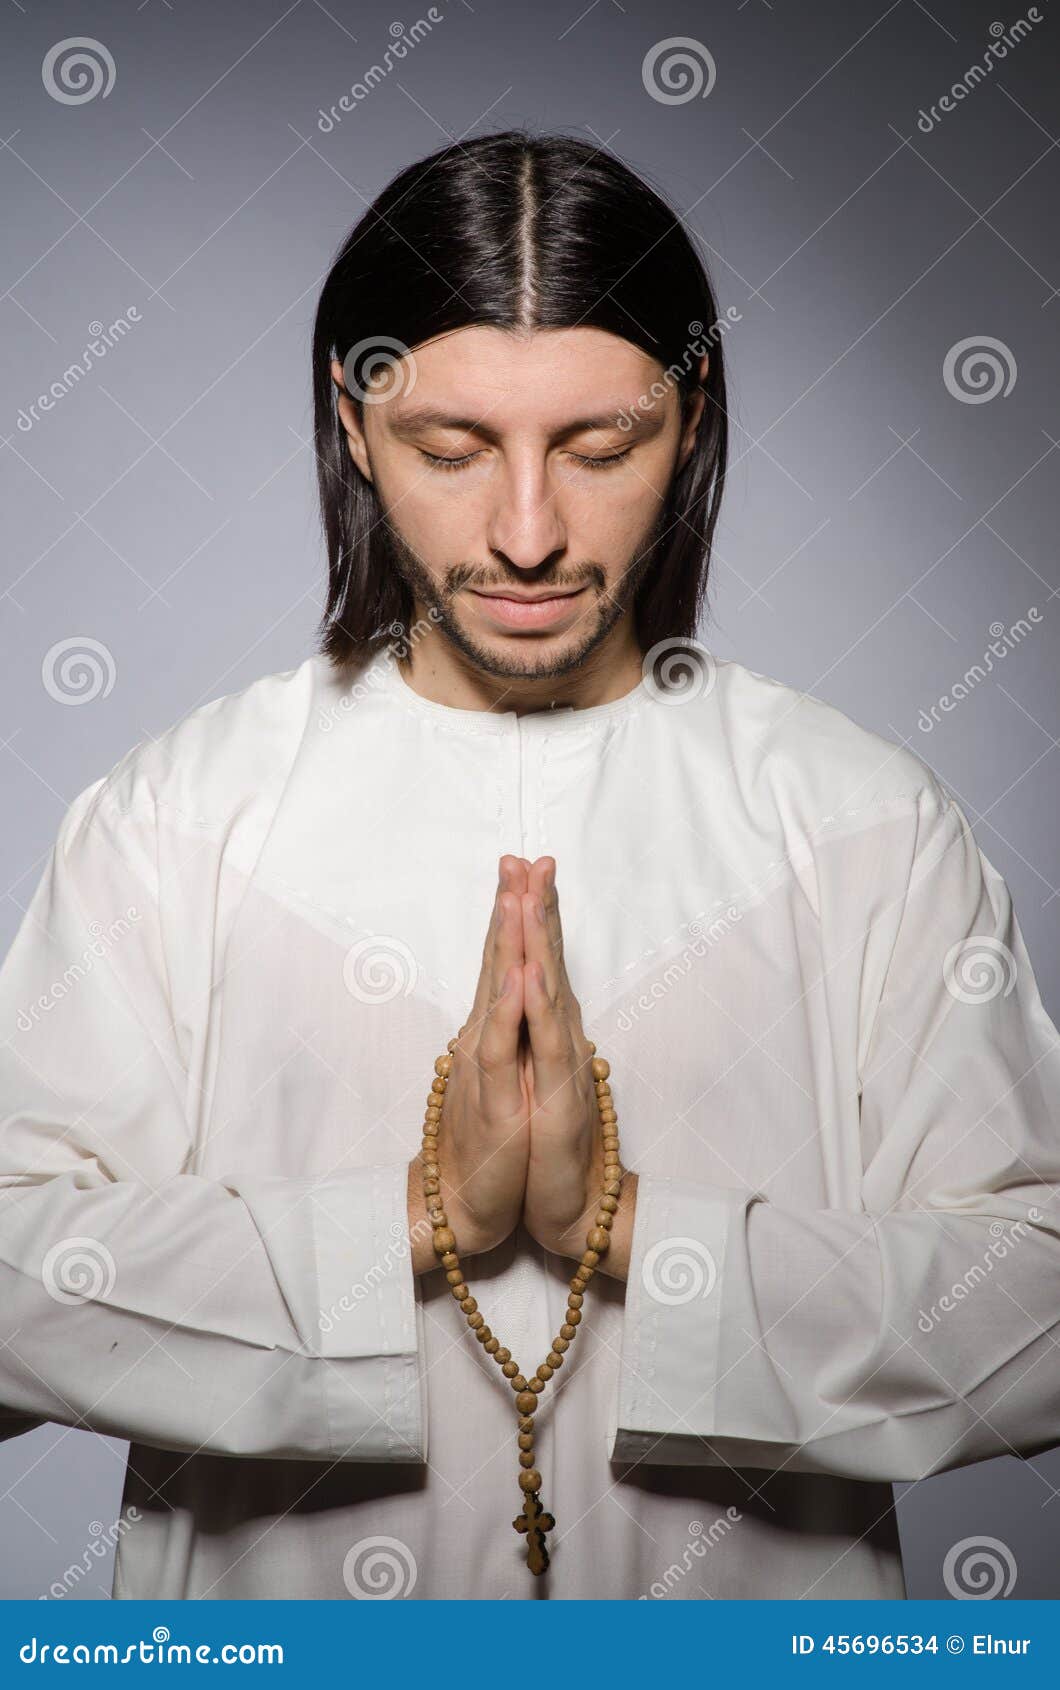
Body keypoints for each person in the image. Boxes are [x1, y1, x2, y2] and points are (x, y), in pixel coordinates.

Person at [1, 129, 1058, 1603]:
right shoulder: (178, 821)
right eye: (451, 449)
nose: (526, 532)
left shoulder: (857, 820)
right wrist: (408, 1224)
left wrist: (631, 1232)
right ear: (355, 425)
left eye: (598, 446)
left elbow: (1040, 1300)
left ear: (687, 423)